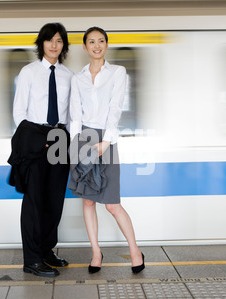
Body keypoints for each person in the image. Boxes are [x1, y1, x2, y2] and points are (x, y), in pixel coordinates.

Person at [68, 27, 145, 274]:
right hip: (83, 140)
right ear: (84, 47)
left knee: (112, 203)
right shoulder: (77, 78)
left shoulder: (117, 72)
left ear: (106, 45)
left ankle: (134, 250)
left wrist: (106, 142)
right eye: (91, 41)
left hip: (107, 139)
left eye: (101, 41)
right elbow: (74, 115)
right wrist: (76, 146)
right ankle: (96, 253)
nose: (96, 45)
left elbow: (116, 108)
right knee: (89, 201)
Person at [11, 22, 73, 277]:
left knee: (54, 200)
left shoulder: (68, 75)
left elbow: (70, 114)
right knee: (34, 201)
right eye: (50, 40)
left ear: (63, 45)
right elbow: (18, 112)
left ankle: (47, 251)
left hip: (60, 137)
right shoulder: (28, 72)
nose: (54, 45)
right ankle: (32, 259)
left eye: (59, 41)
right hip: (35, 136)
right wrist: (38, 139)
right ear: (42, 43)